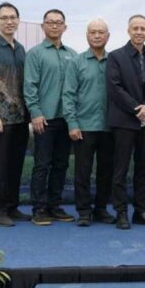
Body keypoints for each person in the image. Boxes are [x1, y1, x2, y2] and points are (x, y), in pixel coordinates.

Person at [105, 15, 145, 230]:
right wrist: (136, 108)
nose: (139, 32)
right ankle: (121, 212)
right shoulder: (115, 57)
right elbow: (114, 87)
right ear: (128, 31)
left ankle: (141, 211)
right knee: (120, 169)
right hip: (123, 122)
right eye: (135, 28)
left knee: (143, 168)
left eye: (143, 28)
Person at [24, 9, 78, 226]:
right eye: (50, 22)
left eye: (58, 22)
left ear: (65, 27)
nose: (54, 26)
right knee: (42, 165)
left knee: (61, 164)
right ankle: (39, 209)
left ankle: (54, 206)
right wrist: (35, 112)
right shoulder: (35, 54)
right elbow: (29, 86)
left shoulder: (73, 54)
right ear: (43, 26)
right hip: (44, 119)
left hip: (67, 119)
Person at [0, 2, 31, 227]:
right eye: (4, 18)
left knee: (15, 165)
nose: (9, 21)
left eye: (13, 17)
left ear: (18, 20)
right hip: (0, 118)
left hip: (20, 117)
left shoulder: (20, 49)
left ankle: (11, 207)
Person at [62, 19, 116, 227]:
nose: (97, 36)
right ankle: (84, 211)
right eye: (93, 32)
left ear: (108, 36)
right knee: (82, 172)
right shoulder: (76, 62)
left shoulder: (115, 62)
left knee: (106, 171)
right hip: (83, 127)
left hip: (109, 127)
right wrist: (72, 123)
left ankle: (101, 209)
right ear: (87, 36)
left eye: (101, 32)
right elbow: (68, 94)